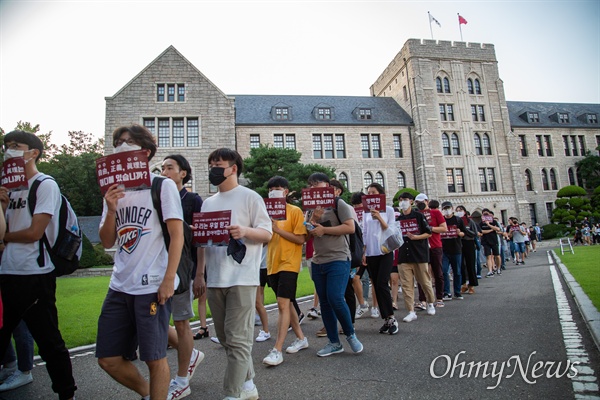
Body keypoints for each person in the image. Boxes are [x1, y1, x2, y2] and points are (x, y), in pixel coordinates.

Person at [96, 125, 183, 400]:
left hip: (152, 285)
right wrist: (111, 209)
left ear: (144, 152)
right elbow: (108, 241)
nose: (121, 146)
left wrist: (169, 278)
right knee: (107, 358)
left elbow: (177, 235)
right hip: (120, 285)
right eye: (117, 142)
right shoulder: (113, 190)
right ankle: (150, 393)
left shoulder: (162, 185)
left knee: (154, 358)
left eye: (128, 142)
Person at [0, 130, 77, 400]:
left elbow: (34, 232)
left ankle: (66, 392)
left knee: (48, 341)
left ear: (33, 153)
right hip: (6, 272)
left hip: (35, 274)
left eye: (16, 146)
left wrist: (4, 237)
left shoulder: (44, 185)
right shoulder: (6, 188)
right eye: (6, 146)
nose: (9, 150)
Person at [193, 148, 272, 400]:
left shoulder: (250, 198)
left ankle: (232, 393)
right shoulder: (207, 203)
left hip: (243, 278)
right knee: (227, 339)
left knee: (238, 340)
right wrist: (199, 275)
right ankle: (248, 384)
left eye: (218, 164)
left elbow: (267, 234)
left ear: (233, 168)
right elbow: (202, 245)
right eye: (211, 164)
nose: (213, 169)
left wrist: (244, 231)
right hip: (215, 279)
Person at [161, 155, 205, 400]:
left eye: (170, 168)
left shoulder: (192, 200)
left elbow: (201, 240)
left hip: (182, 269)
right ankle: (191, 354)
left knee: (181, 322)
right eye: (162, 168)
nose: (165, 172)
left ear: (183, 174)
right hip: (156, 267)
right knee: (149, 318)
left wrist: (199, 274)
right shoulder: (156, 197)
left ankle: (181, 379)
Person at [305, 173, 363, 357]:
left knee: (335, 297)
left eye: (319, 185)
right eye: (312, 186)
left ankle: (350, 334)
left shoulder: (339, 204)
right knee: (324, 302)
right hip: (318, 260)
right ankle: (333, 342)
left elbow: (350, 227)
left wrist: (325, 229)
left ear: (327, 186)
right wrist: (313, 219)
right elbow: (306, 236)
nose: (316, 189)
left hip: (338, 258)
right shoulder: (309, 209)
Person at [262, 176, 309, 366]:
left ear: (286, 192)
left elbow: (301, 239)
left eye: (278, 188)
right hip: (272, 263)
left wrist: (277, 230)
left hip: (289, 263)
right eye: (271, 188)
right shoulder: (265, 212)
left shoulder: (294, 211)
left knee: (282, 304)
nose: (274, 191)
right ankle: (301, 338)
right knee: (287, 303)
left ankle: (277, 349)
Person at [362, 183, 398, 334]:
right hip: (371, 252)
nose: (371, 195)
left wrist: (379, 217)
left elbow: (391, 230)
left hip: (385, 251)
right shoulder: (365, 212)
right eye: (368, 193)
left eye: (373, 192)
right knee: (376, 285)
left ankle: (391, 317)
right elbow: (364, 231)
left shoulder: (388, 210)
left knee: (383, 283)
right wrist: (363, 252)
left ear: (380, 194)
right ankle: (386, 319)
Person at [396, 192, 436, 322]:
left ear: (412, 202)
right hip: (403, 256)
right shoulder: (398, 219)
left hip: (419, 254)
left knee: (424, 281)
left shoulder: (419, 216)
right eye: (401, 200)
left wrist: (416, 237)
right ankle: (411, 311)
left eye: (405, 199)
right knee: (407, 285)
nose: (403, 202)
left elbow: (428, 233)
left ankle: (430, 302)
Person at [414, 194, 447, 308]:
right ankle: (423, 300)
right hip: (421, 247)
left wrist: (430, 228)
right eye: (417, 202)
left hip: (435, 245)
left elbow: (444, 228)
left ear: (427, 201)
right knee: (421, 273)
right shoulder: (417, 214)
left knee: (437, 272)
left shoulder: (435, 213)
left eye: (421, 201)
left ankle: (439, 297)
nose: (419, 204)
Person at [440, 201, 467, 300]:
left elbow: (464, 232)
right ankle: (446, 292)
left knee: (457, 271)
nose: (446, 210)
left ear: (452, 208)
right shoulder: (441, 220)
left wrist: (460, 233)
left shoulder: (458, 220)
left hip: (456, 248)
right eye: (444, 208)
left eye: (448, 208)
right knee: (444, 271)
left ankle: (457, 291)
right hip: (444, 249)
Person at [455, 206, 479, 295]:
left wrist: (465, 232)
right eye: (457, 211)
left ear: (464, 212)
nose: (459, 212)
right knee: (460, 265)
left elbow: (475, 233)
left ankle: (472, 285)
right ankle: (463, 284)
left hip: (469, 243)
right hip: (459, 244)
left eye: (460, 210)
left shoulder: (470, 222)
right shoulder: (456, 221)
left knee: (470, 264)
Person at [480, 209, 502, 277]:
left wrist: (489, 225)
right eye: (484, 214)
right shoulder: (480, 223)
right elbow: (481, 231)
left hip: (494, 240)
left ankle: (498, 268)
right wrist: (491, 230)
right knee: (488, 256)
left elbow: (498, 229)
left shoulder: (494, 222)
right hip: (485, 241)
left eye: (487, 214)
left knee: (497, 255)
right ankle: (490, 270)